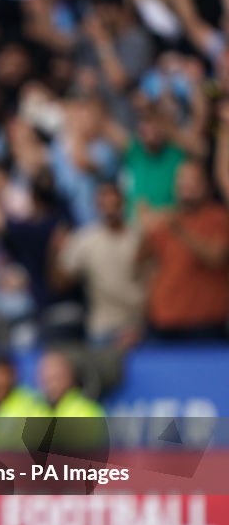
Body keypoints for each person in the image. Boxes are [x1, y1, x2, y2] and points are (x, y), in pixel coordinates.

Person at [139, 160, 229, 341]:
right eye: (181, 180)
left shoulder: (219, 217)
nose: (186, 185)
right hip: (163, 322)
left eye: (193, 181)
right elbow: (140, 264)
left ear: (207, 187)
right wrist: (144, 230)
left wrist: (180, 231)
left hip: (204, 325)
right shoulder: (167, 219)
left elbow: (216, 258)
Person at [55, 181, 145, 347]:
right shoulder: (85, 239)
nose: (110, 209)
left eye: (114, 203)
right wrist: (56, 252)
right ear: (97, 206)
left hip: (138, 325)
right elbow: (61, 283)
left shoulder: (139, 237)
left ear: (123, 203)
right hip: (102, 327)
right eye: (104, 204)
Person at [36, 350, 105, 417]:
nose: (51, 385)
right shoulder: (39, 410)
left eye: (56, 378)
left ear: (70, 376)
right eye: (47, 379)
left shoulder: (84, 410)